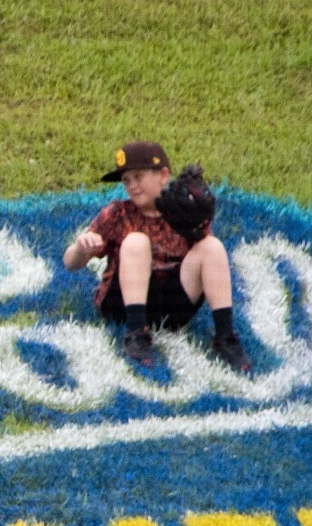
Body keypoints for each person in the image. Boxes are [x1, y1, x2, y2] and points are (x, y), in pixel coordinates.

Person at [63, 140, 252, 373]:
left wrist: (199, 227)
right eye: (126, 180)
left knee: (212, 247)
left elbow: (206, 259)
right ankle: (136, 333)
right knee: (136, 241)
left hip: (171, 307)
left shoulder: (182, 212)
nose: (132, 186)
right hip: (121, 304)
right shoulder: (118, 212)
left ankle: (226, 337)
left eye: (138, 177)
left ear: (163, 175)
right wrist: (81, 248)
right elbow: (70, 263)